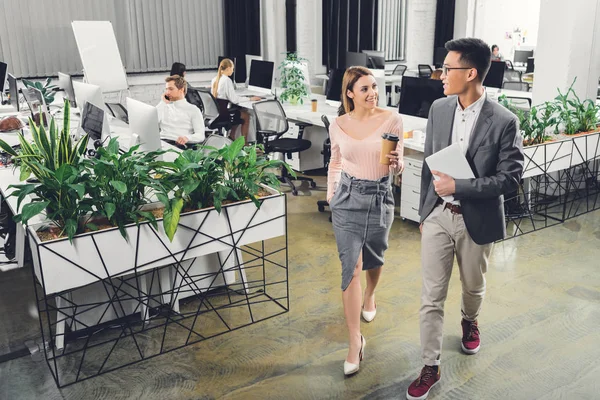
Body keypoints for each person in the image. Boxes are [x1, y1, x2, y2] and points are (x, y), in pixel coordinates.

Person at [405, 38, 524, 400]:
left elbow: (510, 180)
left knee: (473, 287)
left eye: (448, 68)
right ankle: (430, 364)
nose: (440, 75)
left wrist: (461, 185)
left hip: (478, 219)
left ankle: (470, 320)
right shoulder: (439, 109)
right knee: (431, 295)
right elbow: (430, 163)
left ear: (470, 73)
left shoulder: (504, 120)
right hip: (440, 216)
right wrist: (425, 210)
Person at [327, 66, 403, 376]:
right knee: (351, 267)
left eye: (374, 86)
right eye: (364, 88)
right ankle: (353, 342)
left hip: (380, 197)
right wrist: (332, 195)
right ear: (349, 93)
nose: (372, 92)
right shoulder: (338, 124)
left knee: (374, 257)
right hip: (347, 199)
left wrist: (398, 165)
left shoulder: (392, 120)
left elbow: (397, 166)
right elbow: (335, 161)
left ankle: (370, 295)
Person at [211, 58, 260, 144]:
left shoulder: (215, 79)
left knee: (241, 112)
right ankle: (245, 144)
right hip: (224, 113)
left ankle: (232, 137)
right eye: (232, 68)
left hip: (217, 112)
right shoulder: (227, 80)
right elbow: (234, 100)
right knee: (246, 116)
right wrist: (250, 99)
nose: (233, 71)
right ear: (228, 68)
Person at [156, 75, 205, 147]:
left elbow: (200, 135)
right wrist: (163, 102)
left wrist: (187, 138)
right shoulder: (164, 107)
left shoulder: (193, 110)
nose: (167, 92)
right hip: (161, 143)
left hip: (176, 145)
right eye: (166, 89)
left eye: (171, 89)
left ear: (181, 90)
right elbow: (152, 123)